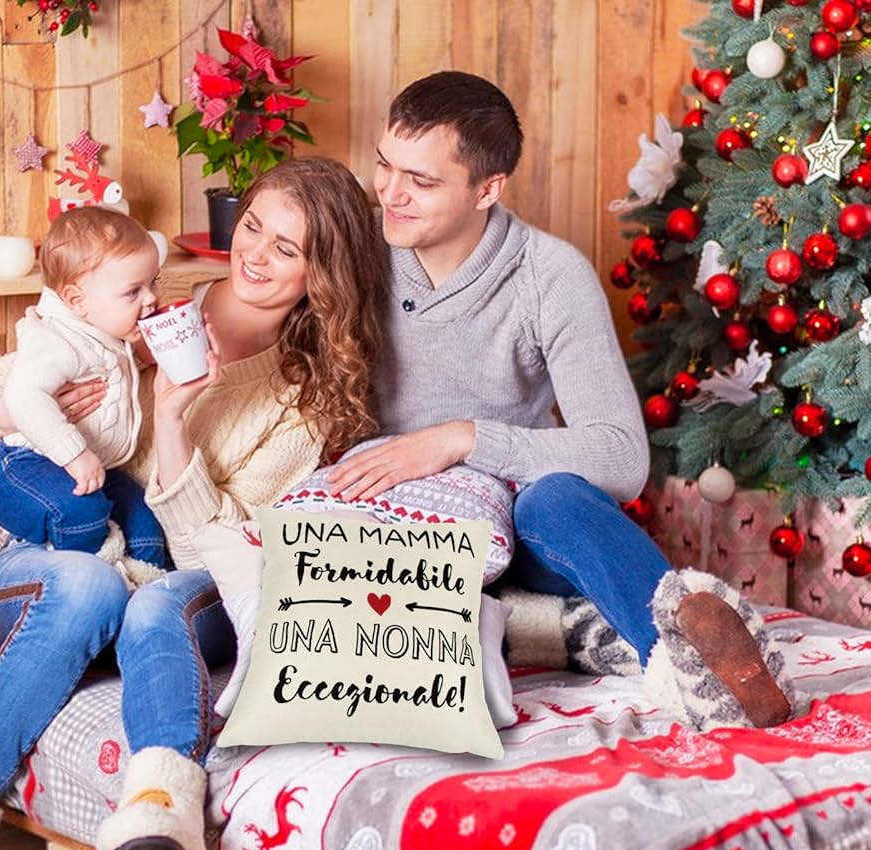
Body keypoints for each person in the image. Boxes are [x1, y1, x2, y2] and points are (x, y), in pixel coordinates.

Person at [0, 156, 381, 850]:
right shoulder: (151, 297)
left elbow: (220, 545)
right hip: (61, 565)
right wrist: (13, 411)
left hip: (173, 582)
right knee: (85, 583)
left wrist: (173, 420)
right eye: (254, 226)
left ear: (322, 273)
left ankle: (158, 808)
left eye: (286, 248)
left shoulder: (304, 396)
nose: (256, 254)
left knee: (150, 599)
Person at [325, 71, 799, 734]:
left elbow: (621, 458)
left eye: (421, 181)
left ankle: (694, 667)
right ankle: (554, 629)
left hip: (508, 535)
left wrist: (462, 439)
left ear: (487, 189)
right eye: (385, 165)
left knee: (554, 500)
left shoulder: (549, 274)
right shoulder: (355, 251)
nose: (390, 193)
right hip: (386, 539)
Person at [0, 206, 169, 584]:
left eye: (154, 282)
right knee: (80, 512)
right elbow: (23, 396)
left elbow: (119, 367)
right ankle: (92, 578)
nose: (150, 299)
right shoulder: (56, 340)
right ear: (77, 301)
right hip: (24, 464)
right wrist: (75, 454)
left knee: (147, 525)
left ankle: (146, 589)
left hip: (94, 466)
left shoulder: (105, 328)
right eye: (133, 291)